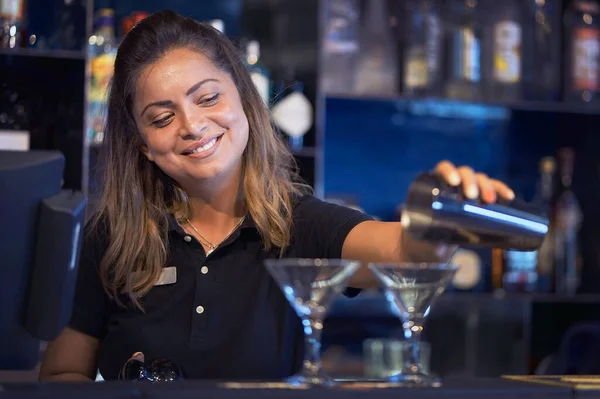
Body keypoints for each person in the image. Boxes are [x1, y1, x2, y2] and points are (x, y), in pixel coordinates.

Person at [39, 10, 515, 381]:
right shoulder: (113, 237)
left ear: (245, 99)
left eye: (207, 98)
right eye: (162, 118)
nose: (192, 126)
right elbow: (62, 371)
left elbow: (404, 253)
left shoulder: (298, 225)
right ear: (143, 145)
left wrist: (440, 215)